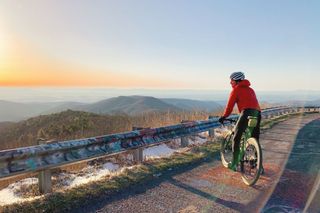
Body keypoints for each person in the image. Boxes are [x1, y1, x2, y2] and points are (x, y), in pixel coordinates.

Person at [218, 71, 262, 171]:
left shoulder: (236, 90)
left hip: (246, 113)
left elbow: (229, 107)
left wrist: (224, 116)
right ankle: (258, 164)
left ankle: (234, 163)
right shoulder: (251, 90)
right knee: (255, 138)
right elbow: (253, 104)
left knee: (236, 138)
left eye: (231, 81)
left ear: (236, 81)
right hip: (257, 114)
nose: (230, 83)